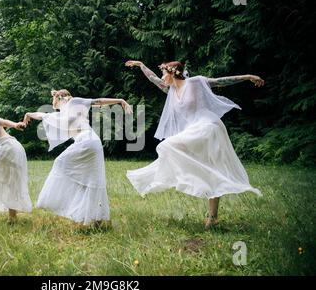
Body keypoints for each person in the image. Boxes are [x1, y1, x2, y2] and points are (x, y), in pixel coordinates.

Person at [125, 60, 264, 229]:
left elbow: (221, 81)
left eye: (164, 73)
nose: (162, 77)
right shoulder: (170, 89)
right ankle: (212, 218)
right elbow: (153, 78)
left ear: (173, 72)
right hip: (194, 131)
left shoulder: (195, 82)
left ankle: (207, 207)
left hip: (207, 127)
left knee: (167, 146)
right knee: (209, 169)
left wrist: (248, 76)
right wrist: (140, 65)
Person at [23, 89, 132, 227]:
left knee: (60, 163)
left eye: (53, 98)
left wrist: (120, 100)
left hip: (88, 141)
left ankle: (56, 201)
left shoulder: (74, 102)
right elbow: (42, 115)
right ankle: (96, 220)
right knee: (92, 180)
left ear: (59, 97)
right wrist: (28, 114)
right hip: (90, 143)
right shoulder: (61, 114)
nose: (52, 102)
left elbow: (97, 101)